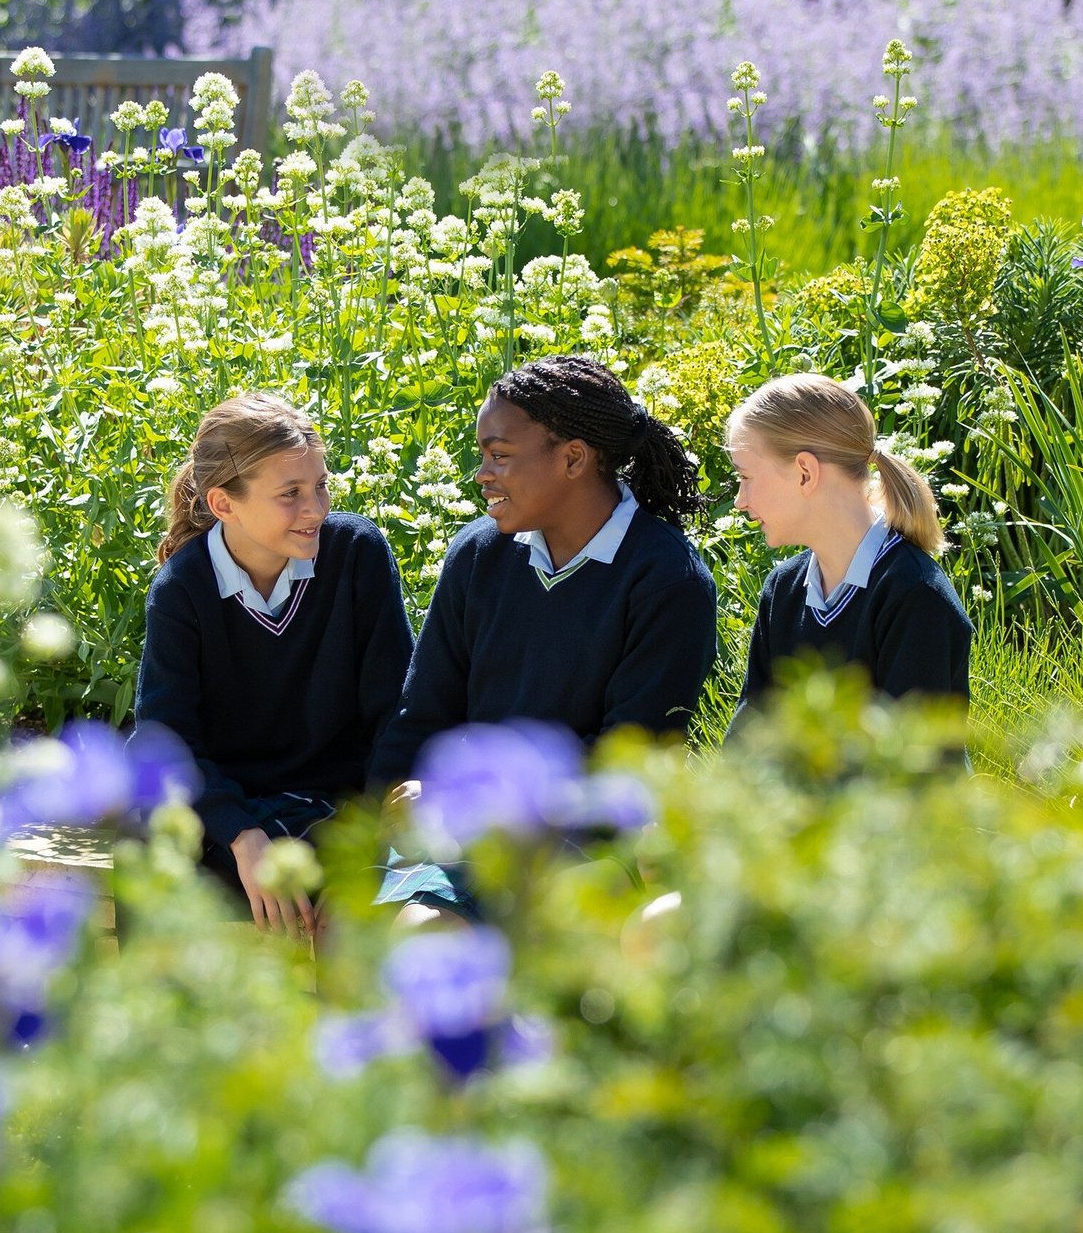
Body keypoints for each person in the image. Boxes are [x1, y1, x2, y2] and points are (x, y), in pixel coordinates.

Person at [368, 355, 719, 812]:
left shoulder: (669, 580)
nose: (482, 475)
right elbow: (421, 717)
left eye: (500, 455)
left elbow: (628, 762)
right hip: (453, 832)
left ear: (573, 458)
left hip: (582, 850)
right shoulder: (478, 553)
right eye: (483, 456)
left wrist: (474, 805)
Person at [136, 393, 413, 932]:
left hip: (339, 806)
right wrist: (242, 835)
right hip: (227, 811)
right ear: (223, 504)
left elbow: (396, 710)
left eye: (321, 486)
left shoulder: (358, 553)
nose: (316, 507)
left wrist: (377, 836)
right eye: (291, 494)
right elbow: (166, 738)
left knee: (357, 913)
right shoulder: (182, 589)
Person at [726, 372, 971, 724]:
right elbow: (749, 743)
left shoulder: (916, 597)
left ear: (805, 473)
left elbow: (916, 768)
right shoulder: (783, 590)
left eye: (745, 477)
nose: (740, 501)